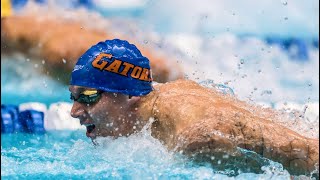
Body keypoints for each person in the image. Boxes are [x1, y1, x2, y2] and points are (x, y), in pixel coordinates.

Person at [69, 39, 319, 176]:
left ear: (130, 95)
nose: (75, 111)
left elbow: (307, 157)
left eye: (89, 96)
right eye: (73, 98)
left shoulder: (198, 136)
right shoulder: (163, 97)